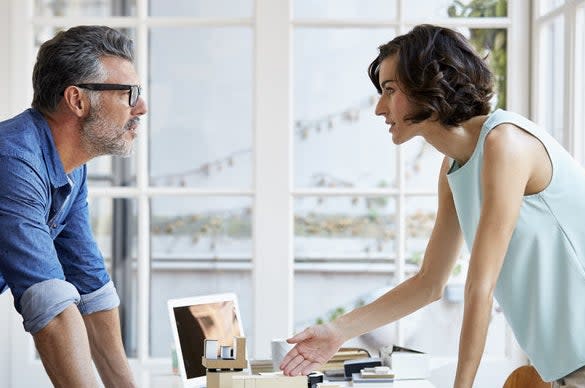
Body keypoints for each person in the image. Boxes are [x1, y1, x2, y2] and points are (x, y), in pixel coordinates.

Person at [280, 24, 585, 388]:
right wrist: (337, 331)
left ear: (431, 83)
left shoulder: (506, 144)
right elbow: (429, 282)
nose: (379, 108)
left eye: (390, 90)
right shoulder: (454, 166)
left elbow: (479, 288)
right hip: (565, 368)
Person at [0, 25, 146, 387]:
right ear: (77, 100)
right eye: (130, 93)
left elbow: (90, 285)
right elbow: (49, 307)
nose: (141, 107)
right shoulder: (11, 160)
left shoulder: (70, 168)